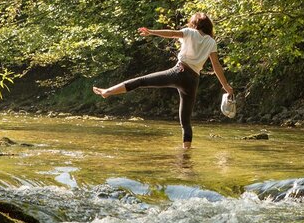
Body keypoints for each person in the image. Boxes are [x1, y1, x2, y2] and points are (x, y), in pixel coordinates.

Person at [93, 12, 234, 148]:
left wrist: (151, 32)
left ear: (194, 23)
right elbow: (216, 65)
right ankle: (186, 153)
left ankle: (107, 92)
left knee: (141, 81)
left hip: (179, 71)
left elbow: (172, 33)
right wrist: (226, 86)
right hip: (193, 80)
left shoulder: (190, 32)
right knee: (185, 121)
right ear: (208, 26)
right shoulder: (211, 42)